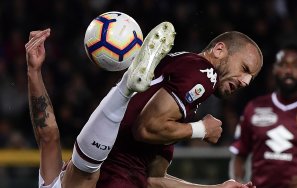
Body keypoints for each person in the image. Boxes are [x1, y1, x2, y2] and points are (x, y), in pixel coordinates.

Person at [26, 22, 263, 188]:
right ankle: (125, 87)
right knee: (84, 170)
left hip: (114, 171)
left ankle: (126, 86)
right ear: (219, 49)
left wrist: (34, 71)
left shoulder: (179, 66)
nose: (245, 82)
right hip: (115, 174)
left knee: (83, 169)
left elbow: (47, 134)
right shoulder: (204, 74)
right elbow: (146, 128)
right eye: (244, 69)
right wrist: (201, 129)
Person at [229, 45, 297, 188]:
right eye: (283, 65)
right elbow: (239, 155)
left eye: (295, 66)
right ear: (274, 69)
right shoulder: (253, 108)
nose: (289, 71)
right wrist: (238, 182)